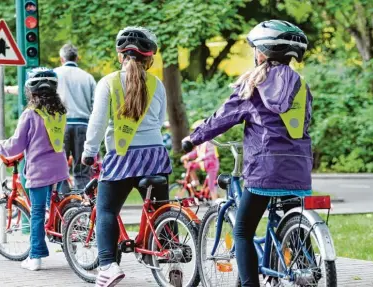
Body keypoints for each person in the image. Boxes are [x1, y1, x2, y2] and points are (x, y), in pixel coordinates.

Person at [184, 20, 312, 287]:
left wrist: (194, 139)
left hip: (264, 168)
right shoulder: (301, 85)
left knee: (242, 231)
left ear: (262, 52)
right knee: (293, 215)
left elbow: (222, 118)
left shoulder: (253, 84)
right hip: (299, 166)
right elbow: (304, 123)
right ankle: (308, 266)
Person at [81, 26, 172, 287]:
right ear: (149, 59)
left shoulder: (108, 82)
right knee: (159, 210)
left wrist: (89, 152)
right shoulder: (158, 84)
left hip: (122, 157)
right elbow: (161, 119)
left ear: (120, 56)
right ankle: (169, 254)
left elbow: (97, 123)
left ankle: (108, 265)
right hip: (155, 155)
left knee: (106, 209)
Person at [0, 67, 69, 271]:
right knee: (53, 207)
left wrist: (0, 145)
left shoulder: (30, 114)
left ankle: (35, 256)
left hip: (39, 171)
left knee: (36, 213)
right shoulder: (60, 111)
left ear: (31, 91)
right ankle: (65, 234)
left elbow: (16, 145)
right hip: (59, 168)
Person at [54, 44, 96, 191]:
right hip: (83, 126)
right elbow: (95, 105)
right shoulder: (88, 78)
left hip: (60, 127)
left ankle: (64, 205)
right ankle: (82, 207)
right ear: (77, 58)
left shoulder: (54, 75)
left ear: (61, 59)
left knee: (60, 170)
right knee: (82, 170)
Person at [180, 120, 220, 200]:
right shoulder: (199, 142)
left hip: (212, 164)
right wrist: (187, 156)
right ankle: (195, 181)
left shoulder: (209, 140)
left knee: (211, 185)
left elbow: (211, 153)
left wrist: (201, 158)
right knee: (190, 165)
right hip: (203, 163)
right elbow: (196, 152)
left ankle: (216, 203)